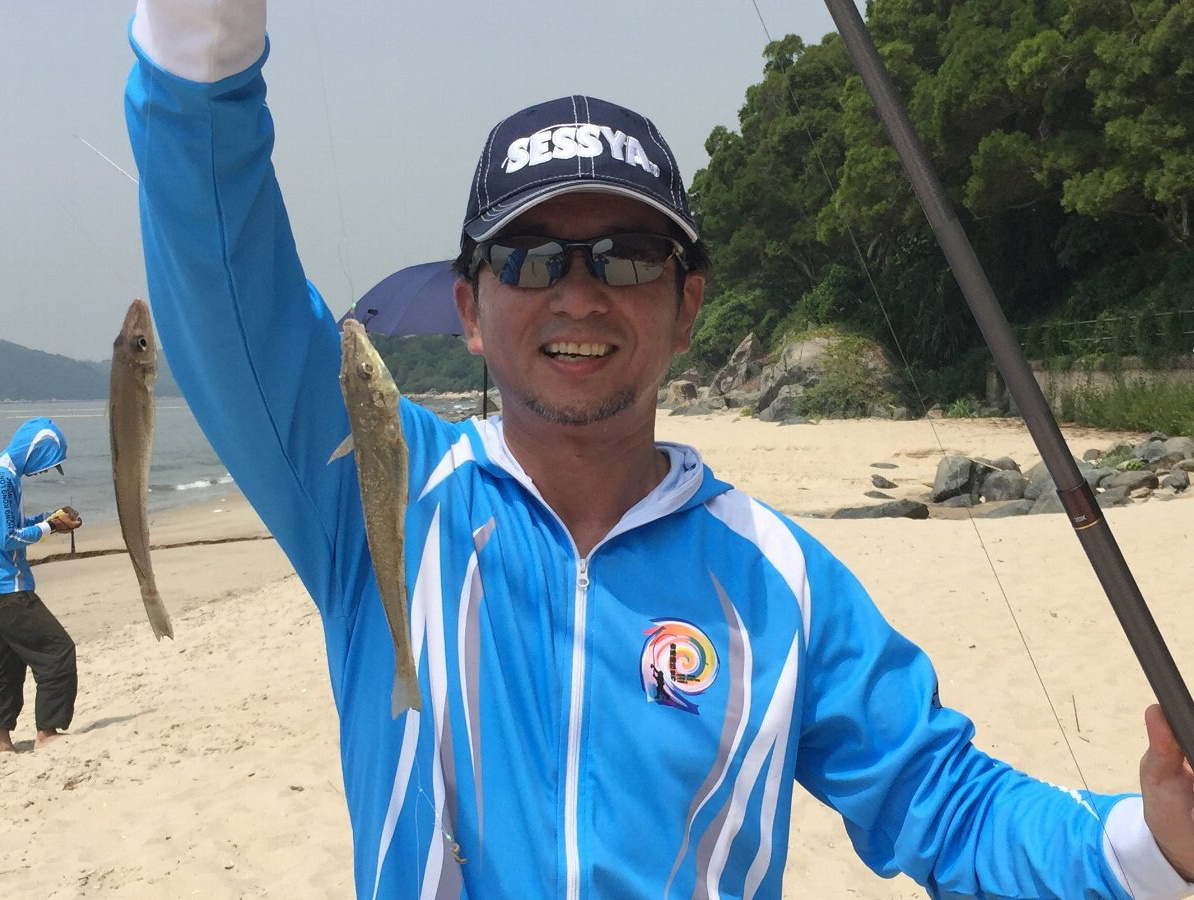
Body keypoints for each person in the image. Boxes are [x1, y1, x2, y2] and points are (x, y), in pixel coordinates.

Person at [124, 3, 1194, 896]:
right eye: (529, 256)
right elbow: (222, 262)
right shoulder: (382, 497)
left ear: (687, 307)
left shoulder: (779, 583)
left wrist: (1151, 845)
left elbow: (947, 805)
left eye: (629, 256)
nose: (578, 293)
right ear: (468, 306)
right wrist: (202, 37)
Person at [0, 417, 81, 752]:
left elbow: (16, 525)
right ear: (35, 450)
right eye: (46, 463)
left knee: (8, 664)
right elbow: (8, 537)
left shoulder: (8, 476)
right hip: (10, 590)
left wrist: (51, 520)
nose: (44, 471)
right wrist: (49, 527)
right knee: (57, 651)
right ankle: (47, 733)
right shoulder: (3, 479)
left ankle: (2, 741)